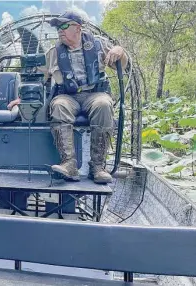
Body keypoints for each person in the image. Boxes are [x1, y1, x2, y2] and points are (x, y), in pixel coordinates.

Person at [8, 11, 128, 184]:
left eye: (64, 26)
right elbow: (38, 79)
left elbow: (120, 64)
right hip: (67, 96)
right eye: (58, 27)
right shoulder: (54, 52)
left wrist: (120, 51)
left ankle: (98, 167)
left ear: (78, 28)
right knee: (59, 105)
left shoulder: (98, 45)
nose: (60, 30)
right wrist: (24, 98)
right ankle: (69, 164)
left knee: (103, 104)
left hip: (95, 93)